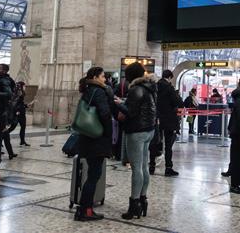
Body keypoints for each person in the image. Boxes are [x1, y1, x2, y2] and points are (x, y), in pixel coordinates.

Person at [118, 62, 157, 220]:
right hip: (149, 130)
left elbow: (130, 112)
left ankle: (134, 205)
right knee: (143, 166)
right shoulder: (151, 87)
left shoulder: (135, 90)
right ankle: (143, 199)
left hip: (136, 131)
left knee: (136, 168)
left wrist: (119, 104)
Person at [74, 67, 113, 222]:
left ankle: (84, 208)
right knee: (93, 176)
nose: (105, 79)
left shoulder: (87, 90)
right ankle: (85, 210)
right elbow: (104, 113)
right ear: (96, 77)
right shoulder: (100, 92)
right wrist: (109, 133)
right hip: (97, 138)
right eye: (103, 76)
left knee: (91, 174)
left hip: (86, 137)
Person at [150, 70, 182, 176]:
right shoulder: (169, 87)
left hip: (156, 118)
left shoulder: (154, 86)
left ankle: (152, 166)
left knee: (154, 143)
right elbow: (177, 102)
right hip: (169, 119)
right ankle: (168, 168)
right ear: (169, 77)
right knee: (168, 145)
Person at [7, 81, 32, 146]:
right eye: (24, 86)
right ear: (21, 86)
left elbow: (19, 103)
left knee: (22, 127)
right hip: (19, 113)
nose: (25, 87)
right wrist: (19, 110)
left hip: (20, 112)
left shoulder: (17, 93)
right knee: (13, 127)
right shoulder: (20, 93)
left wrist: (25, 105)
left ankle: (22, 141)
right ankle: (2, 137)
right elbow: (16, 104)